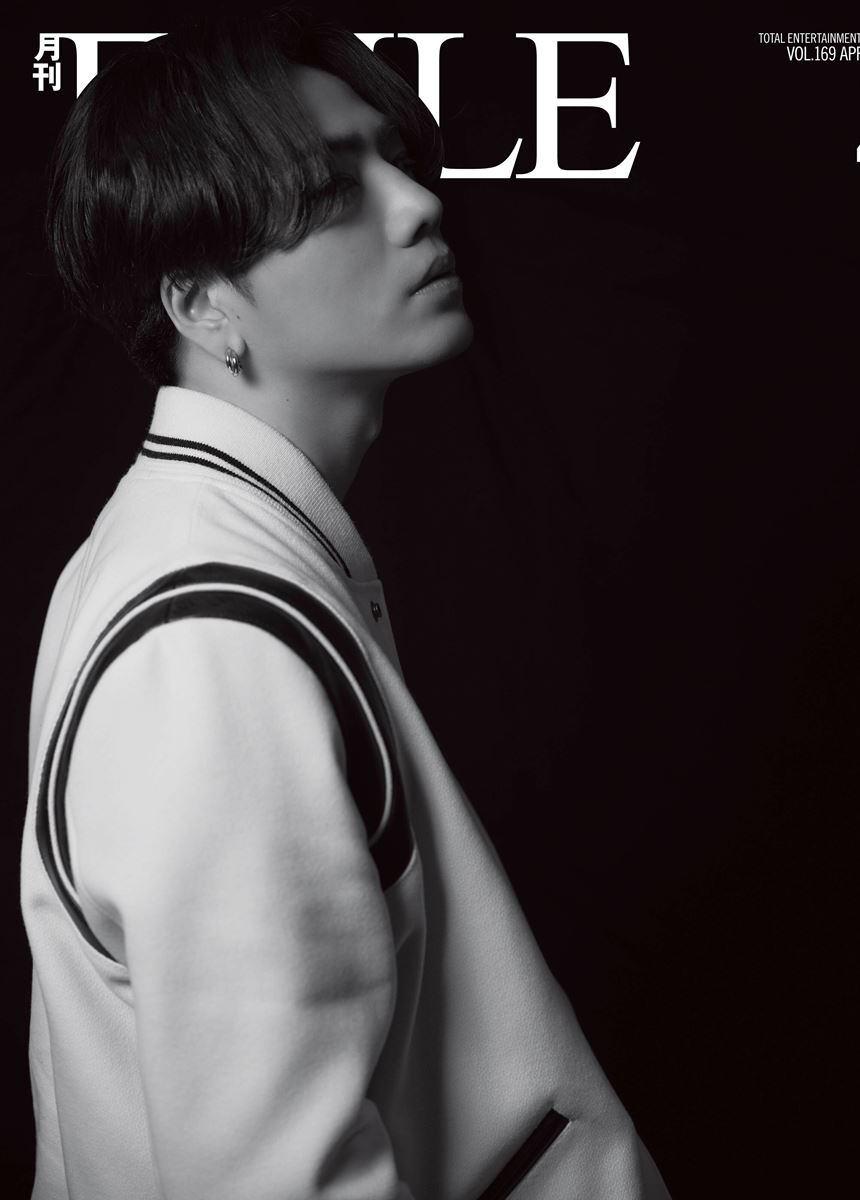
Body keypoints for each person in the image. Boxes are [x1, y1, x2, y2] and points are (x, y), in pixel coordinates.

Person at [21, 10, 671, 1199]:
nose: (417, 206)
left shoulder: (200, 546)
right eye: (331, 191)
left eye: (395, 159)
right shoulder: (208, 644)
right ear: (200, 305)